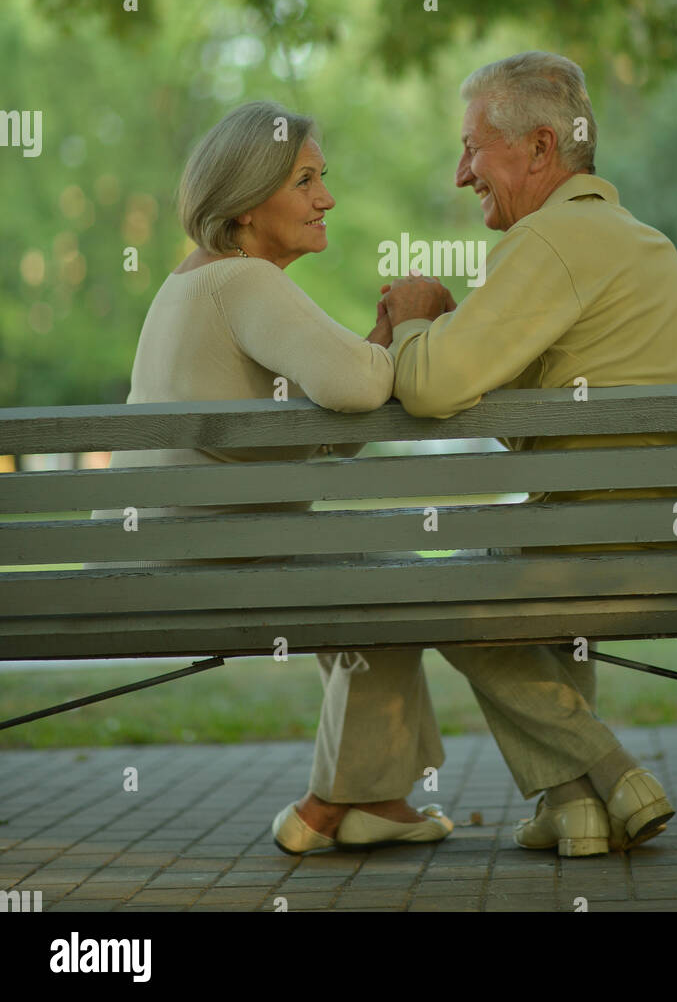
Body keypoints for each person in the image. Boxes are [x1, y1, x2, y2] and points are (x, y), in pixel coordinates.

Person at [335, 50, 677, 857]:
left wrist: (417, 319)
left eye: (471, 146)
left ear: (539, 149)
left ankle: (616, 773)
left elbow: (428, 388)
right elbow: (529, 412)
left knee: (441, 590)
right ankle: (575, 810)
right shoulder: (630, 239)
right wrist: (458, 332)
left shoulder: (551, 240)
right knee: (526, 556)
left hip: (620, 536)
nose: (460, 173)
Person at [91, 100, 453, 852]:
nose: (327, 198)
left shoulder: (190, 285)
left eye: (323, 178)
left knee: (378, 576)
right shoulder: (242, 283)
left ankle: (376, 801)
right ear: (248, 204)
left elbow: (320, 432)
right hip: (213, 561)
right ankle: (329, 805)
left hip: (165, 555)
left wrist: (373, 343)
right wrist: (410, 321)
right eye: (305, 180)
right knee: (396, 581)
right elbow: (357, 389)